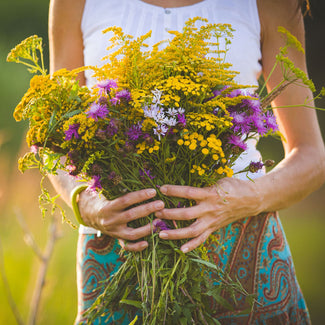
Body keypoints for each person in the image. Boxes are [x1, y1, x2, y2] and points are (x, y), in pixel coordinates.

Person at [49, 0, 325, 323]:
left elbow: (312, 156)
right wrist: (87, 204)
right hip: (118, 255)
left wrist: (242, 198)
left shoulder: (272, 5)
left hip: (240, 253)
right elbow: (53, 140)